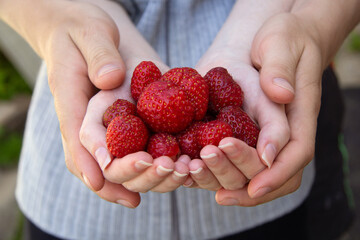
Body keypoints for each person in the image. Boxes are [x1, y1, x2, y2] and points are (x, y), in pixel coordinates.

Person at [0, 0, 358, 239]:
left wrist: (312, 25)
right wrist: (56, 21)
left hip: (267, 184)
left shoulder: (216, 108)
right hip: (77, 213)